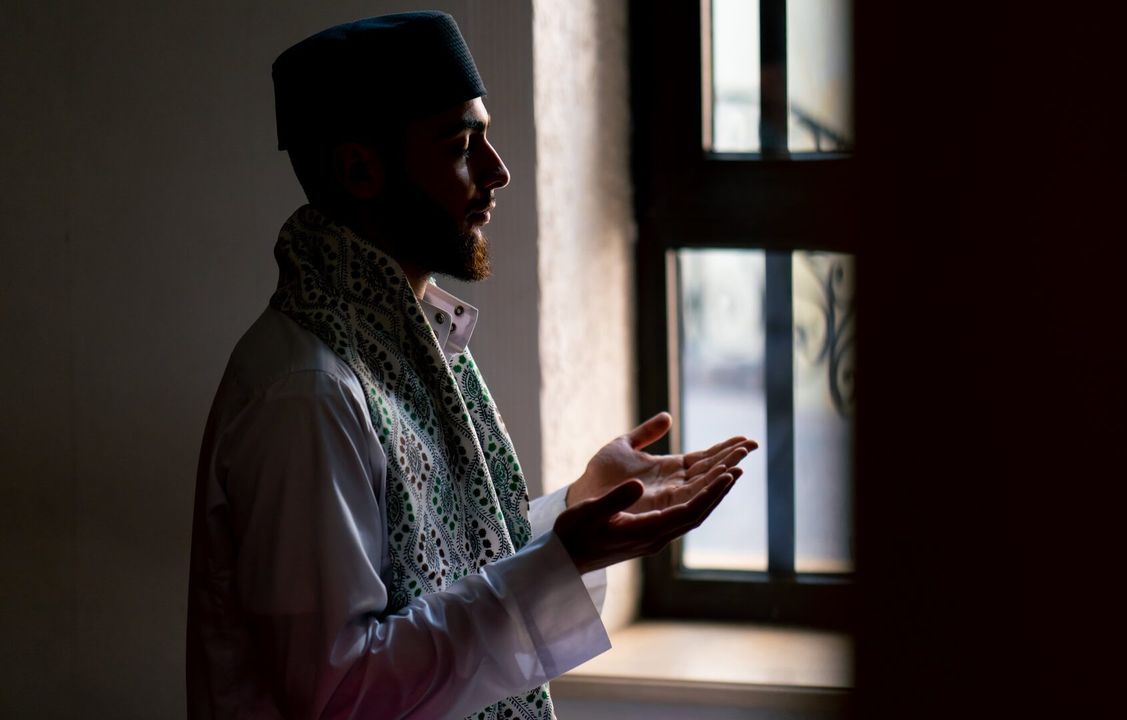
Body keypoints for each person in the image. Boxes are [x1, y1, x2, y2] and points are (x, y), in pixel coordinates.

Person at [185, 11, 757, 720]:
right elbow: (341, 694)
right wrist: (562, 560)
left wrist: (579, 510)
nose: (497, 171)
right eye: (461, 146)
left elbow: (441, 574)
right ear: (361, 170)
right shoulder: (309, 392)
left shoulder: (400, 340)